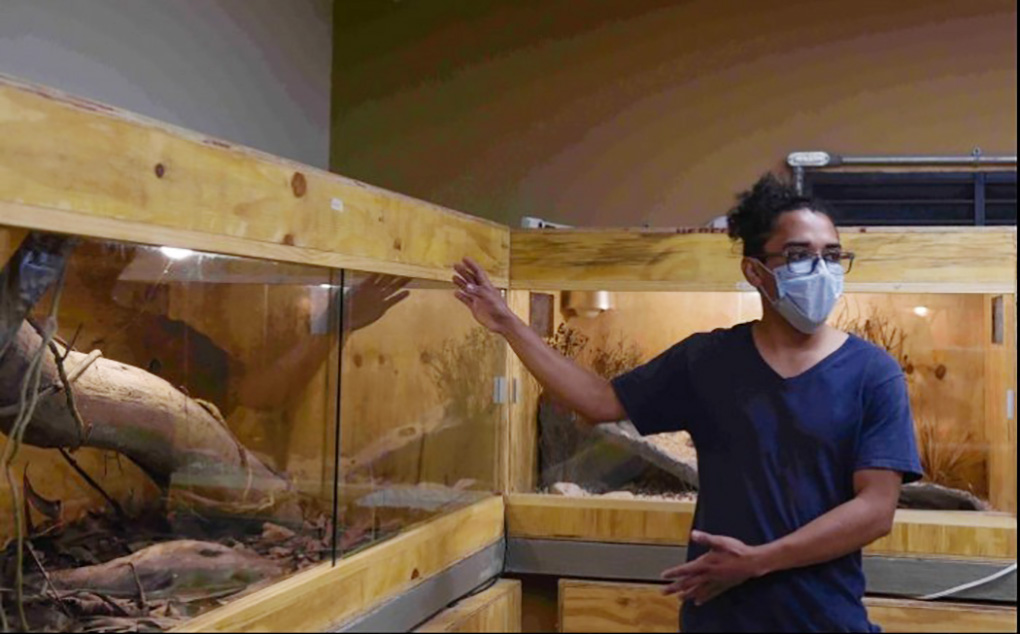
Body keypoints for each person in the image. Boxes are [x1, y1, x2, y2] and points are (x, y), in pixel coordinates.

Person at [452, 173, 922, 633]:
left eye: (832, 255)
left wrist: (759, 561)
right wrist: (508, 323)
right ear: (755, 271)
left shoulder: (872, 374)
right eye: (799, 255)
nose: (820, 270)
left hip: (826, 619)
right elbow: (598, 401)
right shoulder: (708, 361)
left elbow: (875, 509)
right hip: (720, 619)